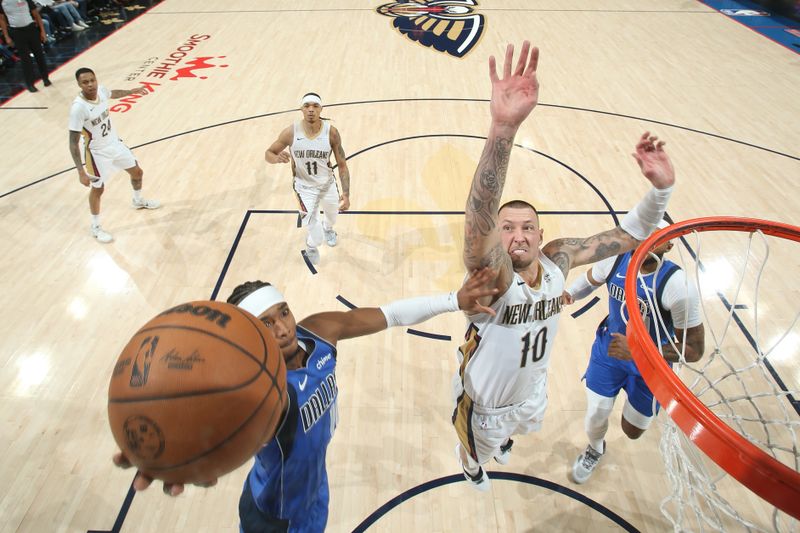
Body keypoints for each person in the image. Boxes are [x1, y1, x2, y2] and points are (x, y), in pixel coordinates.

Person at [113, 268, 499, 532]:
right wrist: (174, 455)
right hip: (274, 516)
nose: (282, 327)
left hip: (315, 488)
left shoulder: (318, 332)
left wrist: (455, 298)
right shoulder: (256, 392)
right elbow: (212, 427)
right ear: (248, 333)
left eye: (283, 312)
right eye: (265, 322)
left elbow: (391, 314)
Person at [453, 41, 676, 491]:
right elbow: (478, 224)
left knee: (523, 426)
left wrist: (661, 193)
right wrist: (502, 130)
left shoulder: (557, 259)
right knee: (477, 447)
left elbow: (625, 238)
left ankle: (504, 441)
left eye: (527, 228)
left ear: (540, 235)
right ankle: (472, 463)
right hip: (486, 401)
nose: (518, 235)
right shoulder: (491, 279)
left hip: (532, 388)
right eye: (507, 228)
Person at [563, 221, 704, 484]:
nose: (647, 239)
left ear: (669, 244)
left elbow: (694, 349)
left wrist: (641, 350)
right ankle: (595, 448)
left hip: (652, 367)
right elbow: (590, 279)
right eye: (643, 233)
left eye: (656, 235)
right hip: (610, 353)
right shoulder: (616, 260)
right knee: (596, 415)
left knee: (632, 430)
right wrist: (568, 293)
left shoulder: (678, 286)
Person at [68, 67, 160, 243]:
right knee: (98, 189)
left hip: (115, 144)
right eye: (85, 82)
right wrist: (80, 171)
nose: (90, 85)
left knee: (137, 172)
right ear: (79, 85)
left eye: (92, 80)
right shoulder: (78, 108)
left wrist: (131, 91)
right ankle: (95, 227)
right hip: (97, 153)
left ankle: (138, 200)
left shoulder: (101, 90)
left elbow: (113, 93)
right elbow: (72, 143)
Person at [264, 92, 351, 266]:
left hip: (327, 184)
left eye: (315, 106)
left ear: (321, 109)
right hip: (304, 189)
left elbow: (342, 164)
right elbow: (269, 153)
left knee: (332, 218)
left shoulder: (331, 133)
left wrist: (346, 194)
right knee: (316, 237)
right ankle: (311, 246)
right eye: (307, 106)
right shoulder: (290, 132)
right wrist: (276, 159)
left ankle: (328, 229)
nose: (311, 110)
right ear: (301, 109)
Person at [0, 0, 51, 92]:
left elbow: (36, 15)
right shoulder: (2, 2)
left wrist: (42, 31)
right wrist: (6, 36)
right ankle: (30, 84)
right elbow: (2, 20)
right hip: (17, 32)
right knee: (25, 59)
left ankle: (45, 78)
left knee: (39, 55)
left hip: (31, 29)